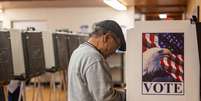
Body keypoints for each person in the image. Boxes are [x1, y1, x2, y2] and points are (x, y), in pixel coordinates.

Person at [68, 20, 126, 101]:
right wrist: (126, 96)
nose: (113, 52)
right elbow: (106, 98)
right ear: (107, 37)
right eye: (115, 47)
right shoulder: (94, 58)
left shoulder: (78, 51)